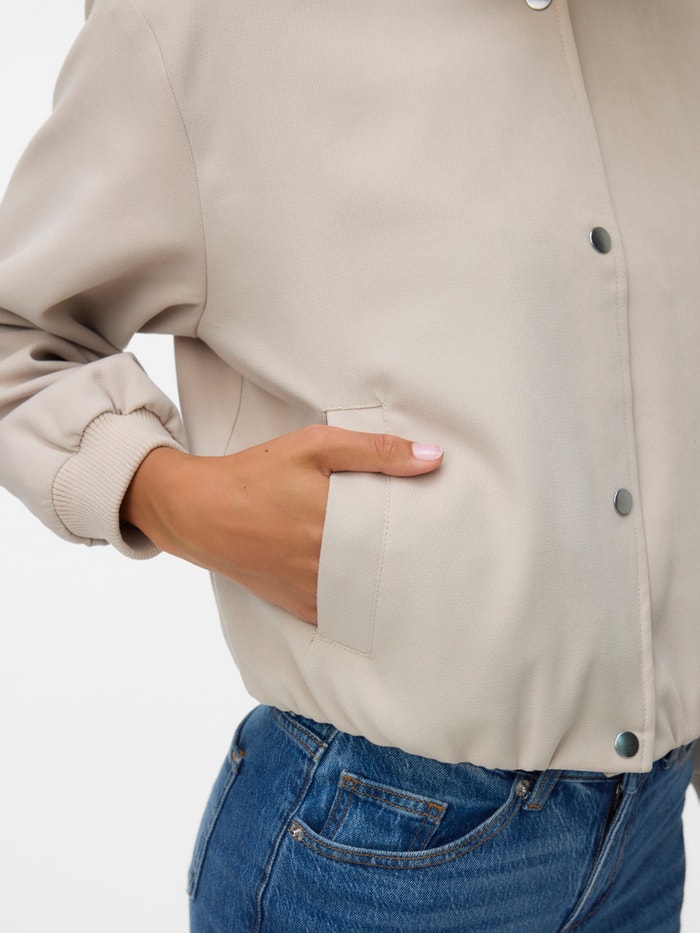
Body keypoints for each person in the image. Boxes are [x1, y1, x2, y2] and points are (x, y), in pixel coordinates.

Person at [1, 0, 699, 929]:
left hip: (649, 826)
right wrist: (167, 494)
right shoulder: (202, 22)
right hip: (378, 840)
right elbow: (15, 328)